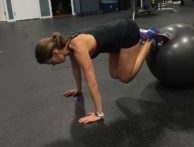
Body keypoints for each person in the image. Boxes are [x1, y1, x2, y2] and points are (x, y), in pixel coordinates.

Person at [35, 19, 169, 124]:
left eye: (51, 62)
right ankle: (144, 38)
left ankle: (149, 40)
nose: (53, 65)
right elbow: (75, 68)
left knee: (125, 77)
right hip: (116, 40)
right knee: (114, 74)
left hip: (127, 32)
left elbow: (92, 82)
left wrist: (98, 113)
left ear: (55, 52)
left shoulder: (78, 48)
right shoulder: (67, 45)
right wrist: (78, 89)